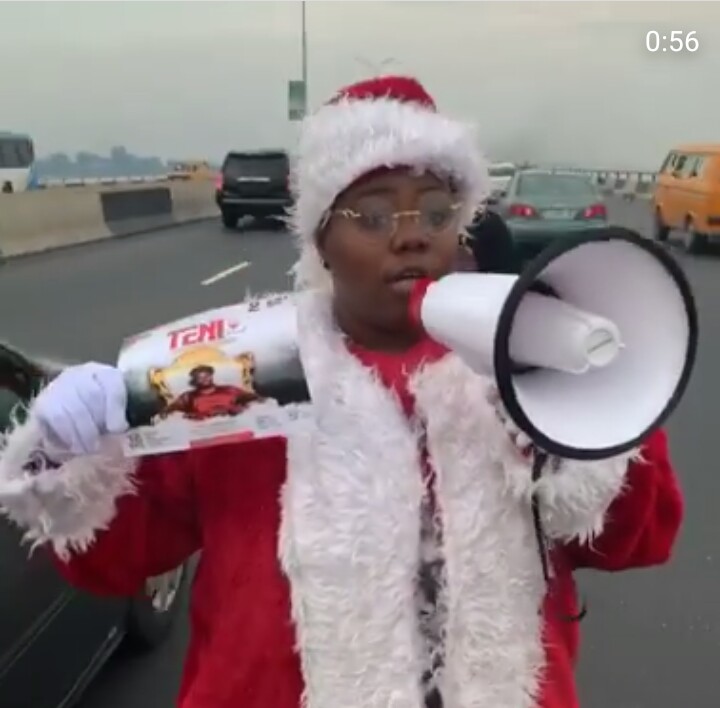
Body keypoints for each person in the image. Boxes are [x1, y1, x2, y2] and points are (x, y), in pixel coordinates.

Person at [0, 76, 683, 708]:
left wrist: (586, 414)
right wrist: (75, 455)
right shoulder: (238, 365)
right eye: (375, 216)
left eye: (437, 212)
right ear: (322, 238)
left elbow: (638, 540)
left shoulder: (518, 367)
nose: (411, 234)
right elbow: (114, 561)